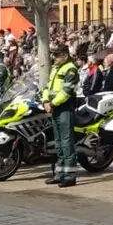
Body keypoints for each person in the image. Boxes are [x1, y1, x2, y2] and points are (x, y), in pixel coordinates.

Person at [43, 44, 80, 187]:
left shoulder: (70, 69)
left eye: (57, 55)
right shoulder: (56, 68)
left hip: (64, 108)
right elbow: (47, 87)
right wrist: (46, 101)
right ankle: (59, 174)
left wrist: (51, 104)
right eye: (54, 55)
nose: (54, 57)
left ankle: (70, 176)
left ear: (65, 55)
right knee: (58, 143)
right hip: (54, 108)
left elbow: (66, 92)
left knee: (66, 143)